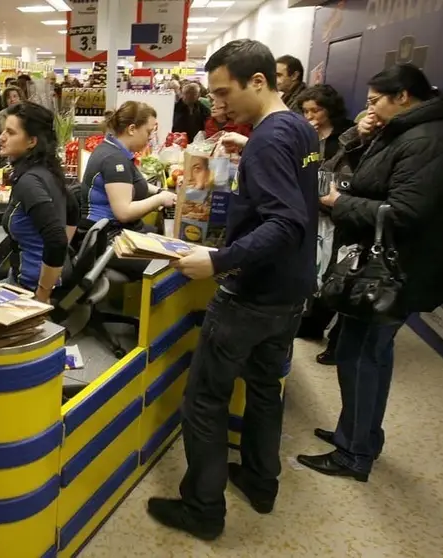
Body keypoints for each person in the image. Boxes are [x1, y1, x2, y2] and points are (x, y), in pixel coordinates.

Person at [147, 39, 319, 540]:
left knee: (205, 400)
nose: (219, 104)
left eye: (225, 93)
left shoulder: (269, 138)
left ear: (259, 82)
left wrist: (220, 260)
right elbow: (298, 199)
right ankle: (262, 482)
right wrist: (250, 149)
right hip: (290, 290)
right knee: (266, 389)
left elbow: (286, 221)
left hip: (252, 292)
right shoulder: (297, 127)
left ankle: (202, 508)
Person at [297, 64, 443, 482]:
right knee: (364, 354)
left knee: (362, 356)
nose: (371, 108)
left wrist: (336, 205)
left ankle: (354, 453)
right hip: (391, 266)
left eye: (376, 100)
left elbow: (406, 212)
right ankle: (358, 434)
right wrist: (363, 138)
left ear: (403, 97)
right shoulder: (407, 132)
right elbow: (373, 180)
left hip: (395, 271)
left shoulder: (428, 140)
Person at [79, 101, 177, 276]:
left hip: (114, 233)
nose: (150, 138)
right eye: (148, 132)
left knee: (163, 239)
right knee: (169, 265)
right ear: (132, 129)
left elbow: (130, 182)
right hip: (108, 239)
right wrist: (159, 200)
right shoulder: (114, 160)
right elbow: (123, 212)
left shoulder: (112, 149)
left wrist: (159, 191)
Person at [292, 84, 355, 356]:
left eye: (316, 110)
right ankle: (312, 322)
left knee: (335, 269)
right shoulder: (304, 133)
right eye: (305, 110)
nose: (311, 116)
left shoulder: (347, 136)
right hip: (311, 209)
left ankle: (334, 333)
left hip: (338, 212)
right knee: (314, 267)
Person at [0, 102, 78, 303]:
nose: (1, 137)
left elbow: (56, 239)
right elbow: (73, 207)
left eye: (10, 132)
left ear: (32, 141)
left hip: (29, 286)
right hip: (45, 277)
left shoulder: (29, 182)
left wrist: (43, 293)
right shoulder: (47, 170)